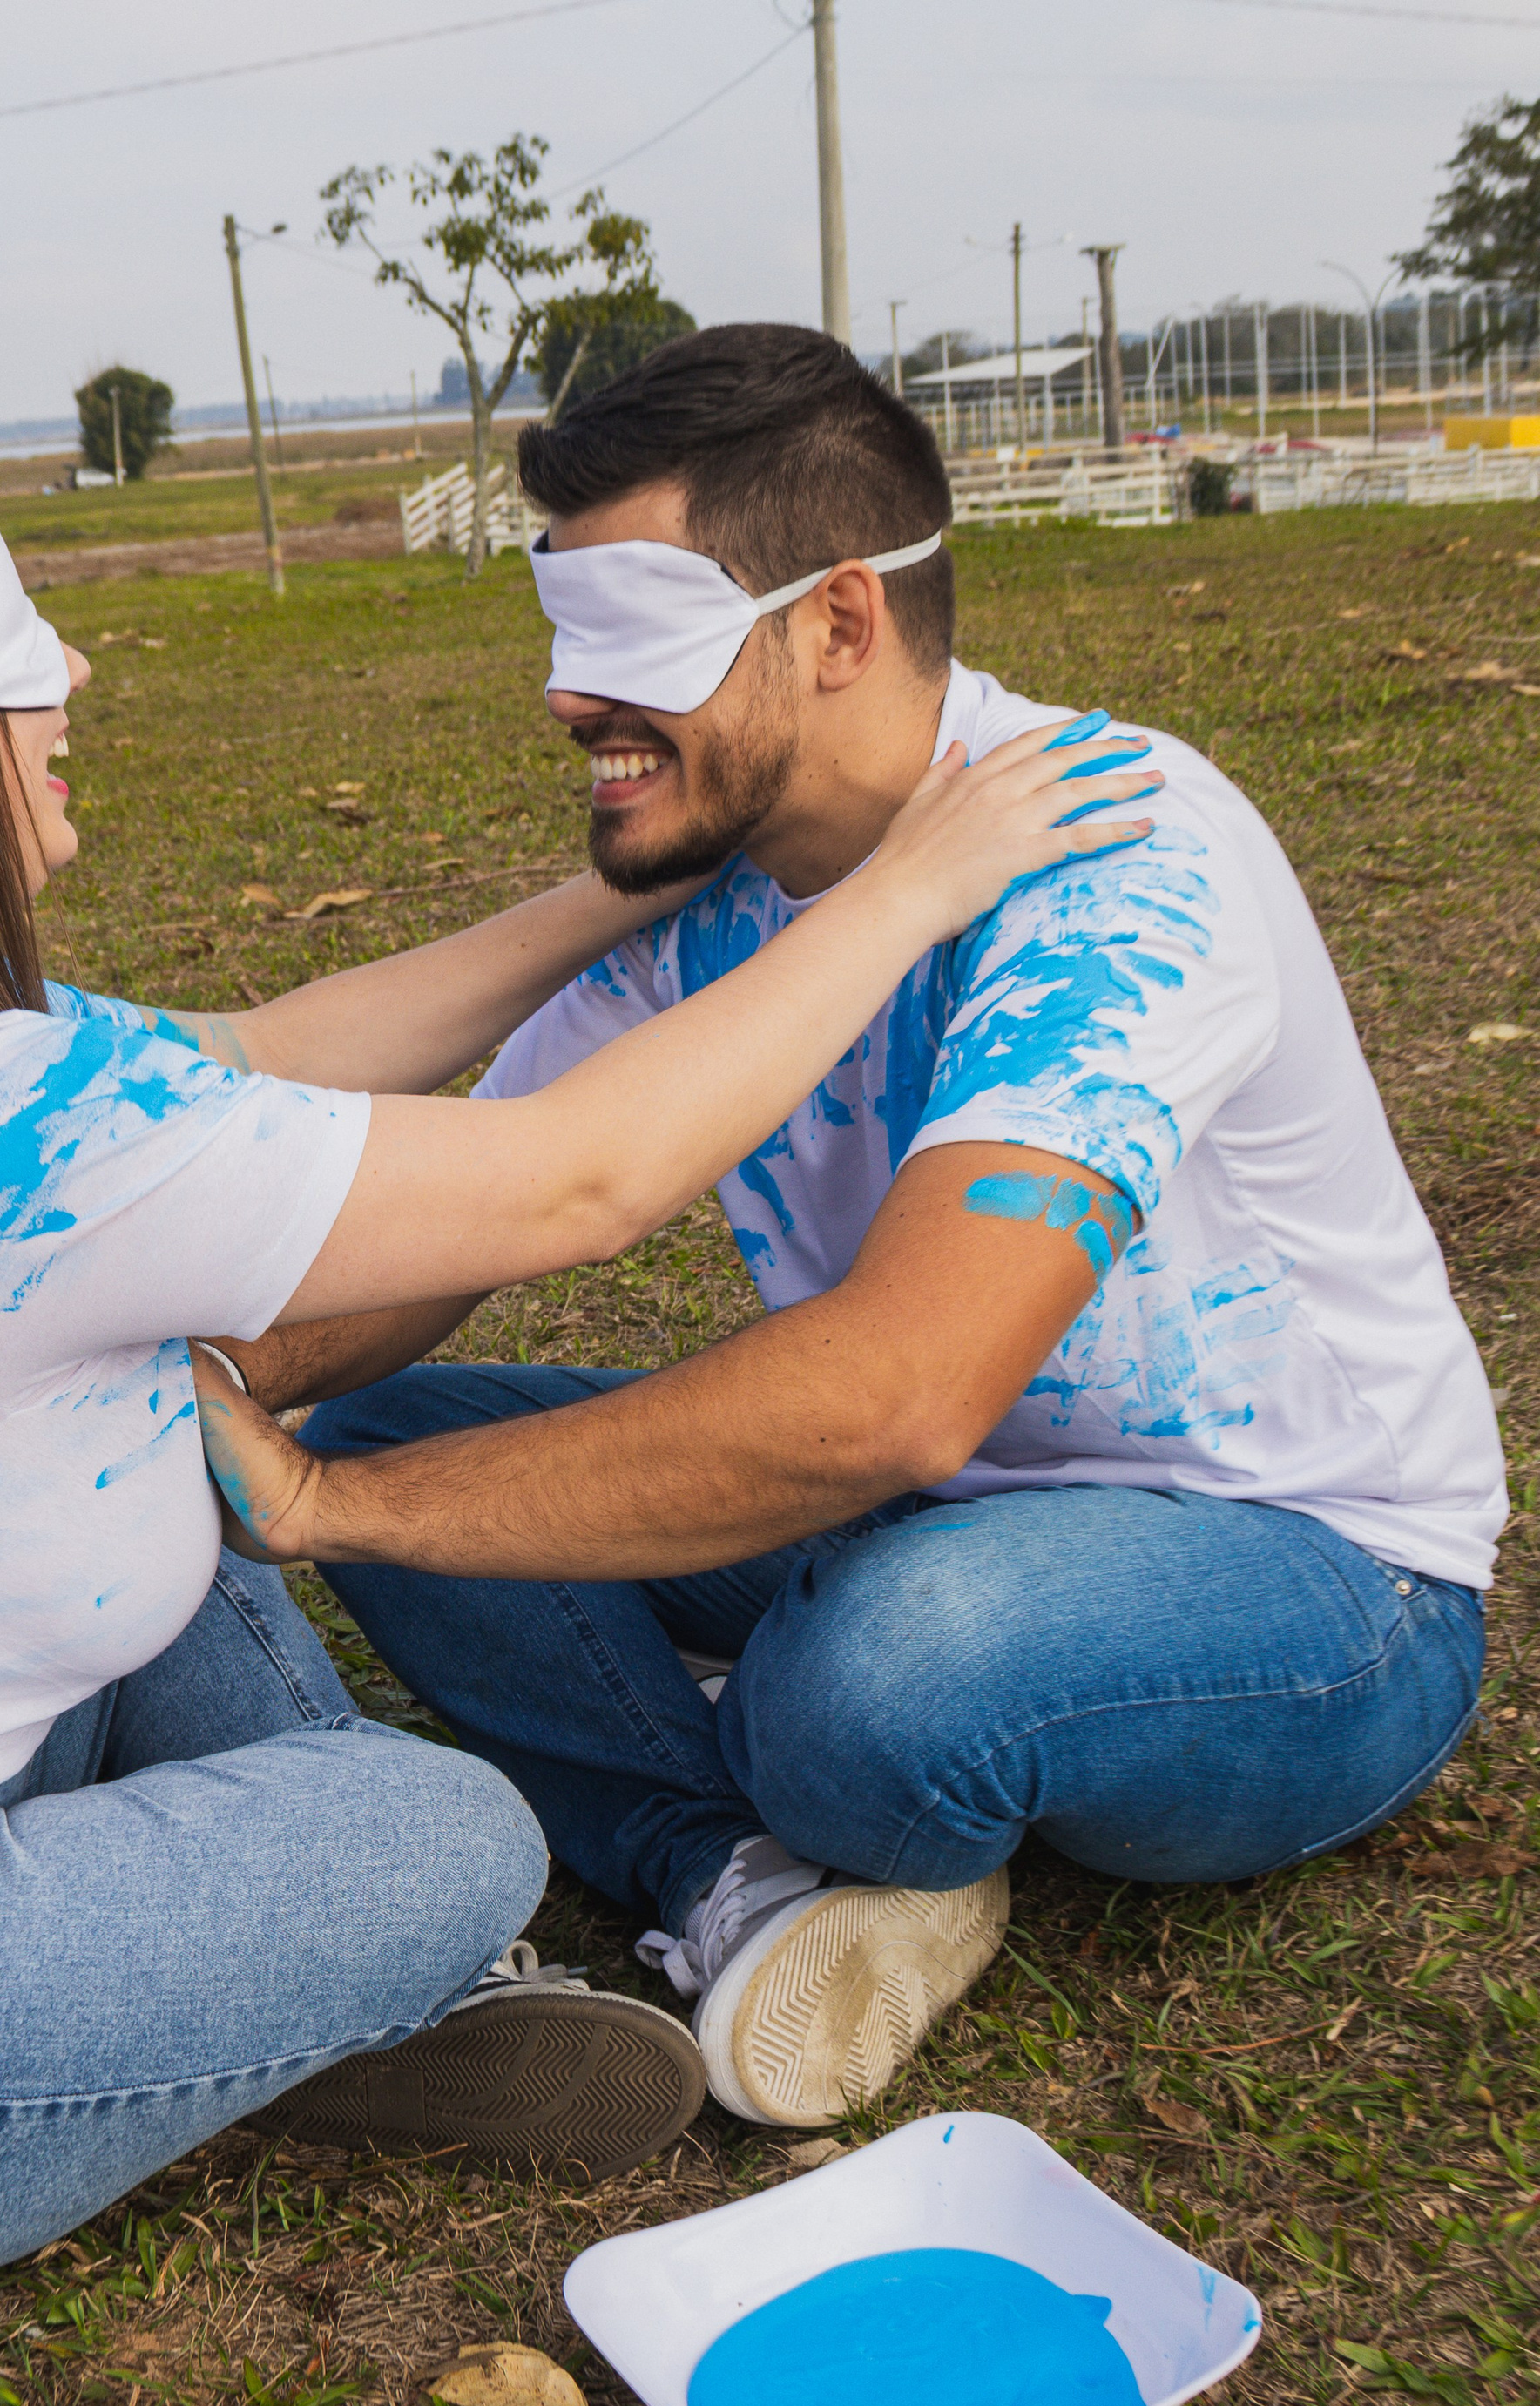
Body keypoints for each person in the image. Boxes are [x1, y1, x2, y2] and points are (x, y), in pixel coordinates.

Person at [0, 422, 1151, 2328]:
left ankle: (258, 1986)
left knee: (171, 1473)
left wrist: (649, 879)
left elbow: (274, 1043)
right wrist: (901, 886)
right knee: (449, 1831)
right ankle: (332, 1979)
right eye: (17, 627)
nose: (75, 670)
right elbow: (581, 1176)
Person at [192, 323, 1505, 2137]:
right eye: (560, 631)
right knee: (393, 1423)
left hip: (1304, 1562)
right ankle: (734, 1869)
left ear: (833, 624)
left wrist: (331, 1515)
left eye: (632, 635)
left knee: (871, 1682)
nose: (570, 701)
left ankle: (791, 1726)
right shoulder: (706, 884)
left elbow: (893, 1394)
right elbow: (476, 1211)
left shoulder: (1119, 856)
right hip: (947, 1510)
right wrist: (197, 1381)